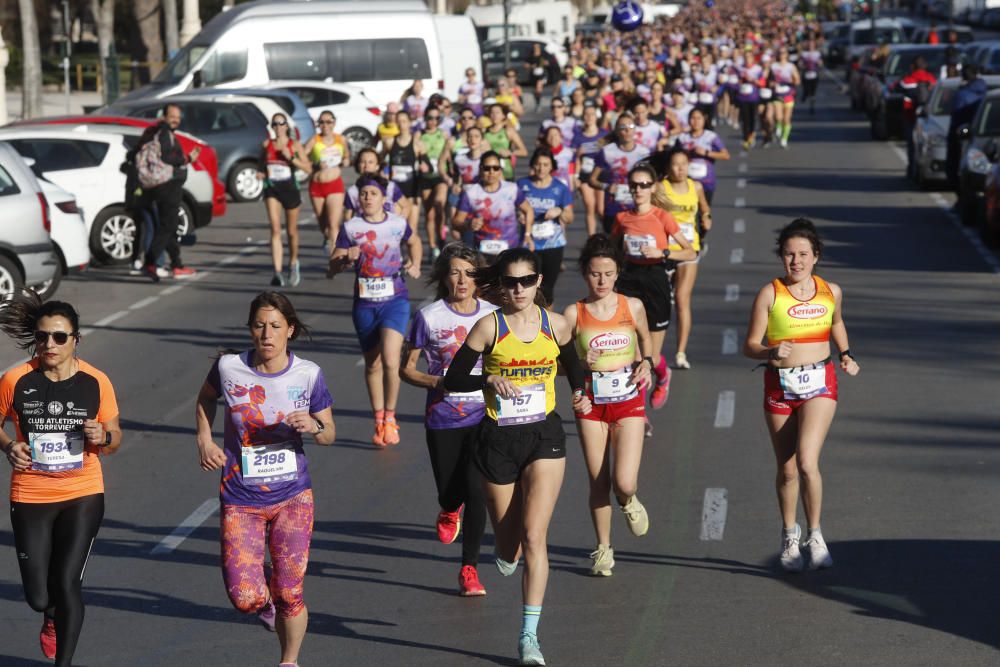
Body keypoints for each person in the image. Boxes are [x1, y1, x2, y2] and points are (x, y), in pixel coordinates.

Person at [443, 248, 592, 667]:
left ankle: (529, 636)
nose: (519, 289)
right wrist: (488, 376)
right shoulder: (488, 327)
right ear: (502, 287)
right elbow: (454, 377)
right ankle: (505, 552)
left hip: (544, 434)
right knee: (510, 547)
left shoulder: (556, 324)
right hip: (497, 440)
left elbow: (572, 362)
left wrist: (578, 391)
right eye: (511, 282)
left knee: (534, 535)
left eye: (527, 281)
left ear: (539, 282)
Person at [195, 291, 336, 667]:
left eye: (275, 326)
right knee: (246, 597)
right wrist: (205, 440)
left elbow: (329, 433)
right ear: (250, 329)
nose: (267, 334)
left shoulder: (308, 375)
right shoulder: (228, 368)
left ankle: (288, 661)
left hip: (293, 497)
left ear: (290, 330)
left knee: (291, 590)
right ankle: (266, 599)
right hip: (241, 497)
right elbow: (205, 399)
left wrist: (315, 424)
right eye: (259, 325)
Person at [0, 290, 121, 666]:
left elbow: (115, 437)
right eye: (41, 337)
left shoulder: (96, 381)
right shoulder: (16, 379)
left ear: (75, 340)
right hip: (30, 494)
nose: (48, 344)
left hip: (82, 492)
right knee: (39, 596)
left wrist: (104, 438)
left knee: (67, 582)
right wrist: (8, 446)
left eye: (58, 337)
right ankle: (50, 617)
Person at [742, 218, 859, 572]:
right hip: (780, 385)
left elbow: (836, 322)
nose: (796, 261)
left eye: (803, 254)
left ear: (816, 256)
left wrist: (846, 354)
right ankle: (789, 534)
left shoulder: (831, 291)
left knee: (808, 461)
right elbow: (750, 345)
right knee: (788, 468)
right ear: (782, 258)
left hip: (820, 383)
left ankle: (816, 533)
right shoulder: (770, 293)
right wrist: (769, 352)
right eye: (789, 254)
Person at [401, 244, 495, 596]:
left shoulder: (492, 315)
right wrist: (436, 381)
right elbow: (405, 369)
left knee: (477, 491)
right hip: (442, 416)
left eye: (469, 273)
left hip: (484, 414)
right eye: (455, 272)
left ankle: (469, 568)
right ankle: (447, 507)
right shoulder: (429, 317)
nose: (462, 280)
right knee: (450, 489)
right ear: (443, 275)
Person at [563, 234, 653, 576]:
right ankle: (603, 548)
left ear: (618, 274)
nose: (601, 281)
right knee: (598, 480)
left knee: (624, 481)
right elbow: (559, 360)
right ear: (585, 273)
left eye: (608, 273)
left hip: (628, 400)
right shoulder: (575, 312)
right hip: (590, 404)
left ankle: (628, 500)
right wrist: (582, 362)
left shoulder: (633, 307)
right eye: (595, 274)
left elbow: (645, 343)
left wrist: (646, 363)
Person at [329, 175, 422, 446]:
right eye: (364, 193)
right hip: (365, 303)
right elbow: (332, 267)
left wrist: (415, 263)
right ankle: (379, 418)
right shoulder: (350, 228)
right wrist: (346, 257)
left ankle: (391, 417)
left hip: (395, 300)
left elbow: (414, 241)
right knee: (373, 364)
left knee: (392, 360)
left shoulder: (397, 223)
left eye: (373, 193)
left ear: (384, 199)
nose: (367, 197)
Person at [610, 163, 695, 411]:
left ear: (652, 187)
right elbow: (611, 250)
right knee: (635, 355)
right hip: (630, 279)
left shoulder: (662, 217)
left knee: (652, 357)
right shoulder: (621, 218)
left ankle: (663, 373)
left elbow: (690, 251)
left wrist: (663, 252)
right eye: (634, 185)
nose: (639, 190)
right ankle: (639, 415)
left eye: (644, 185)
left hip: (656, 279)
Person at [653, 150, 711, 370]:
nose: (680, 169)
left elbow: (704, 208)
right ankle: (655, 353)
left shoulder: (695, 187)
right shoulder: (660, 188)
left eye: (683, 164)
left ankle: (680, 352)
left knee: (682, 299)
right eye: (675, 165)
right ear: (668, 168)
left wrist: (706, 218)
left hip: (688, 250)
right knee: (662, 302)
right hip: (665, 251)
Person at [140, 102, 199, 281]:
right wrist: (188, 158)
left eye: (178, 117)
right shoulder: (165, 134)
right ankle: (151, 262)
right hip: (168, 186)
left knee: (170, 226)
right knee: (167, 226)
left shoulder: (163, 133)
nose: (176, 120)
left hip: (163, 187)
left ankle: (176, 265)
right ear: (164, 116)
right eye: (172, 116)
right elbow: (168, 156)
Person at [258, 113, 311, 287]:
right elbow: (261, 166)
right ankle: (277, 272)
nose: (279, 127)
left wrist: (291, 157)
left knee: (291, 231)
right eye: (275, 124)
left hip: (290, 189)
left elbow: (308, 168)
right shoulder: (267, 145)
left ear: (287, 126)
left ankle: (293, 263)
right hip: (272, 189)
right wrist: (261, 173)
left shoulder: (294, 145)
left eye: (282, 123)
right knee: (275, 228)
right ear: (272, 127)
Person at [452, 151, 534, 262]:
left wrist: (527, 234)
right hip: (482, 253)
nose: (491, 172)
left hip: (510, 250)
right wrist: (468, 224)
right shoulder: (471, 193)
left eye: (495, 168)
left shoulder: (512, 189)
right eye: (487, 168)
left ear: (500, 170)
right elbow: (456, 222)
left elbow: (528, 210)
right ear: (480, 169)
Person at [517, 147, 574, 304]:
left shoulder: (560, 188)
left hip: (553, 244)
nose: (541, 168)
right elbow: (512, 207)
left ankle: (547, 325)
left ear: (552, 167)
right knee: (528, 288)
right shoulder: (522, 185)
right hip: (529, 242)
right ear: (533, 165)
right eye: (538, 164)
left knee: (547, 290)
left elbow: (569, 217)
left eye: (545, 164)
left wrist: (560, 211)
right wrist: (519, 215)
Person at [589, 115, 651, 233]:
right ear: (617, 131)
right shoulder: (607, 152)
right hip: (614, 209)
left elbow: (653, 180)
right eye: (623, 127)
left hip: (638, 207)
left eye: (630, 126)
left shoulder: (644, 152)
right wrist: (606, 187)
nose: (627, 130)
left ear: (635, 129)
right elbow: (592, 180)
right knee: (614, 248)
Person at [304, 111, 349, 251]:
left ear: (334, 123)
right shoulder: (314, 140)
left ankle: (334, 260)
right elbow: (302, 158)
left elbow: (347, 156)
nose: (325, 125)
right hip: (317, 186)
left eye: (328, 122)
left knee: (333, 225)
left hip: (335, 184)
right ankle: (326, 236)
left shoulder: (341, 139)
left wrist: (345, 162)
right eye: (322, 122)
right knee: (323, 224)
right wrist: (316, 165)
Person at [673, 107, 731, 206]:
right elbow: (673, 156)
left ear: (704, 119)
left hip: (706, 182)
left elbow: (726, 155)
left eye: (698, 118)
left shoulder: (711, 137)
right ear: (688, 120)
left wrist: (706, 153)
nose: (695, 121)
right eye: (692, 118)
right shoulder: (682, 138)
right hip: (687, 182)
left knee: (704, 214)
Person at [384, 110, 426, 236]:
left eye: (404, 121)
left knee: (412, 229)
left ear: (409, 123)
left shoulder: (418, 144)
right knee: (395, 228)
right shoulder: (390, 142)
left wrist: (424, 167)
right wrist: (385, 172)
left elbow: (427, 165)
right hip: (396, 191)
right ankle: (398, 255)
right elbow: (381, 162)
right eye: (399, 122)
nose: (402, 125)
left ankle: (411, 257)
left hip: (412, 190)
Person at [947, 64, 987, 195]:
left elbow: (957, 122)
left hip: (968, 136)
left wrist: (958, 134)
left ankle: (962, 198)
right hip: (972, 134)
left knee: (958, 168)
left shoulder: (963, 95)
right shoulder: (985, 92)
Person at [418, 108, 450, 260]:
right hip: (425, 177)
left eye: (436, 118)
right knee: (429, 214)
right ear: (425, 118)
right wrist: (419, 163)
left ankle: (442, 240)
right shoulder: (419, 135)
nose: (432, 121)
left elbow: (449, 153)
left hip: (440, 176)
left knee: (439, 205)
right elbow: (414, 153)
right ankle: (432, 246)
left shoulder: (443, 134)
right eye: (430, 117)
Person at [572, 104, 609, 235]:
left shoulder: (604, 134)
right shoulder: (578, 137)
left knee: (600, 209)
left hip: (600, 174)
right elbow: (574, 159)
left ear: (596, 116)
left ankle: (607, 235)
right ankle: (591, 239)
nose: (589, 117)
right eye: (586, 114)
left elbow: (610, 153)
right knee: (589, 206)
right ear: (583, 117)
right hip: (585, 174)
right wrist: (575, 176)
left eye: (592, 114)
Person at [898, 57, 937, 177]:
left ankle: (912, 168)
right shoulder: (932, 79)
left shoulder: (908, 80)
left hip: (910, 116)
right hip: (928, 117)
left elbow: (896, 87)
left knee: (912, 144)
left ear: (913, 66)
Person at [345, 148, 409, 219]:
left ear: (377, 166)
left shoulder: (390, 187)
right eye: (363, 162)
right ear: (358, 165)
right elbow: (348, 217)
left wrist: (399, 225)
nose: (366, 166)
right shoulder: (352, 191)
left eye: (370, 162)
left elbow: (406, 206)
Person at [484, 103, 529, 181]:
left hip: (506, 171)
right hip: (488, 171)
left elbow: (524, 151)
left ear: (503, 115)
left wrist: (510, 152)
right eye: (492, 112)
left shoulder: (508, 131)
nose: (494, 115)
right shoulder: (484, 132)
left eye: (497, 113)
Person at [769, 48, 800, 148]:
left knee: (786, 119)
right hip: (777, 95)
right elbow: (769, 79)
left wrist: (791, 80)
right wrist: (772, 84)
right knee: (778, 117)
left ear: (787, 55)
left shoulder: (791, 66)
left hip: (788, 95)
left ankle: (784, 138)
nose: (782, 54)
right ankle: (778, 126)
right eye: (780, 53)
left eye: (784, 53)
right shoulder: (773, 66)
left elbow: (798, 81)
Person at [798, 39, 823, 115]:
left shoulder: (817, 53)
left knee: (813, 92)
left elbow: (821, 64)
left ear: (814, 45)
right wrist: (802, 65)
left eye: (812, 45)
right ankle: (805, 95)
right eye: (809, 44)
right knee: (806, 89)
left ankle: (812, 107)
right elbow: (800, 63)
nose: (810, 46)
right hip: (806, 74)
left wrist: (819, 63)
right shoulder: (804, 53)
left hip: (814, 74)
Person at [526, 43, 552, 111]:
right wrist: (531, 66)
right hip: (534, 75)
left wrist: (546, 63)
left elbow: (549, 62)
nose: (536, 49)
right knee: (535, 91)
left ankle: (539, 104)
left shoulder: (543, 55)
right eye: (534, 47)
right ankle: (537, 102)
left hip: (542, 74)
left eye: (537, 47)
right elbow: (526, 64)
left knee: (538, 87)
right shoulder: (531, 55)